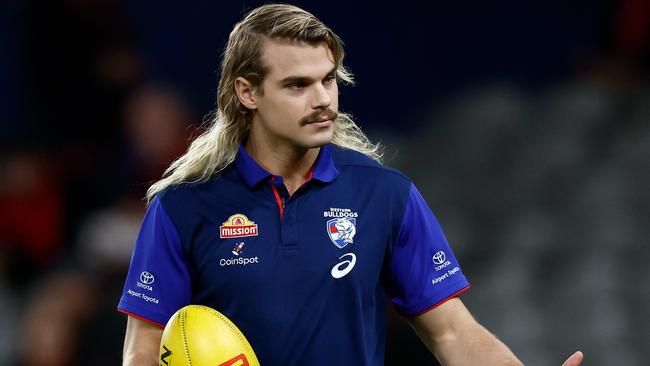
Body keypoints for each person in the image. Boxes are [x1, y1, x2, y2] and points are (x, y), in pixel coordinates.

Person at [118, 4, 584, 365]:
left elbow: (452, 333)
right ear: (248, 93)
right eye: (298, 85)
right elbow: (144, 349)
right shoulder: (182, 207)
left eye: (328, 80)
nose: (323, 100)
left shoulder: (385, 195)